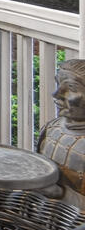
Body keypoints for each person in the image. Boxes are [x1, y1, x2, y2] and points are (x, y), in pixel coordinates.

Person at [38, 59, 85, 201]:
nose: (57, 94)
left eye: (71, 88)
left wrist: (61, 193)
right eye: (58, 84)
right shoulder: (51, 129)